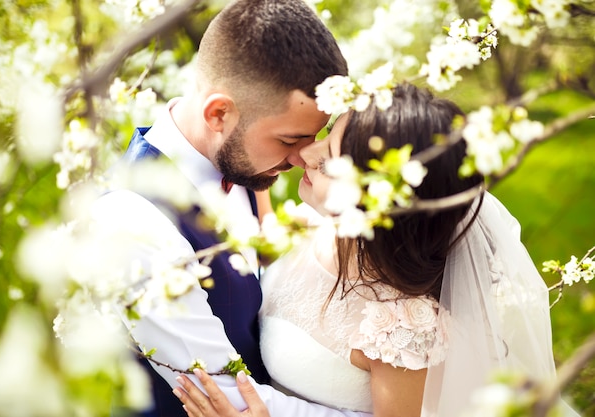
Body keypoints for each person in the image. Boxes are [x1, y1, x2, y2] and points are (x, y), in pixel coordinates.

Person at [172, 83, 568, 417]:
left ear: (379, 203)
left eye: (328, 163)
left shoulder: (404, 324)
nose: (304, 155)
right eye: (324, 135)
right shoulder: (309, 228)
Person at [91, 0, 354, 416]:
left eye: (312, 136)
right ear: (218, 114)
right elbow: (229, 397)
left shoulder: (243, 164)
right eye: (288, 140)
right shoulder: (133, 223)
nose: (304, 157)